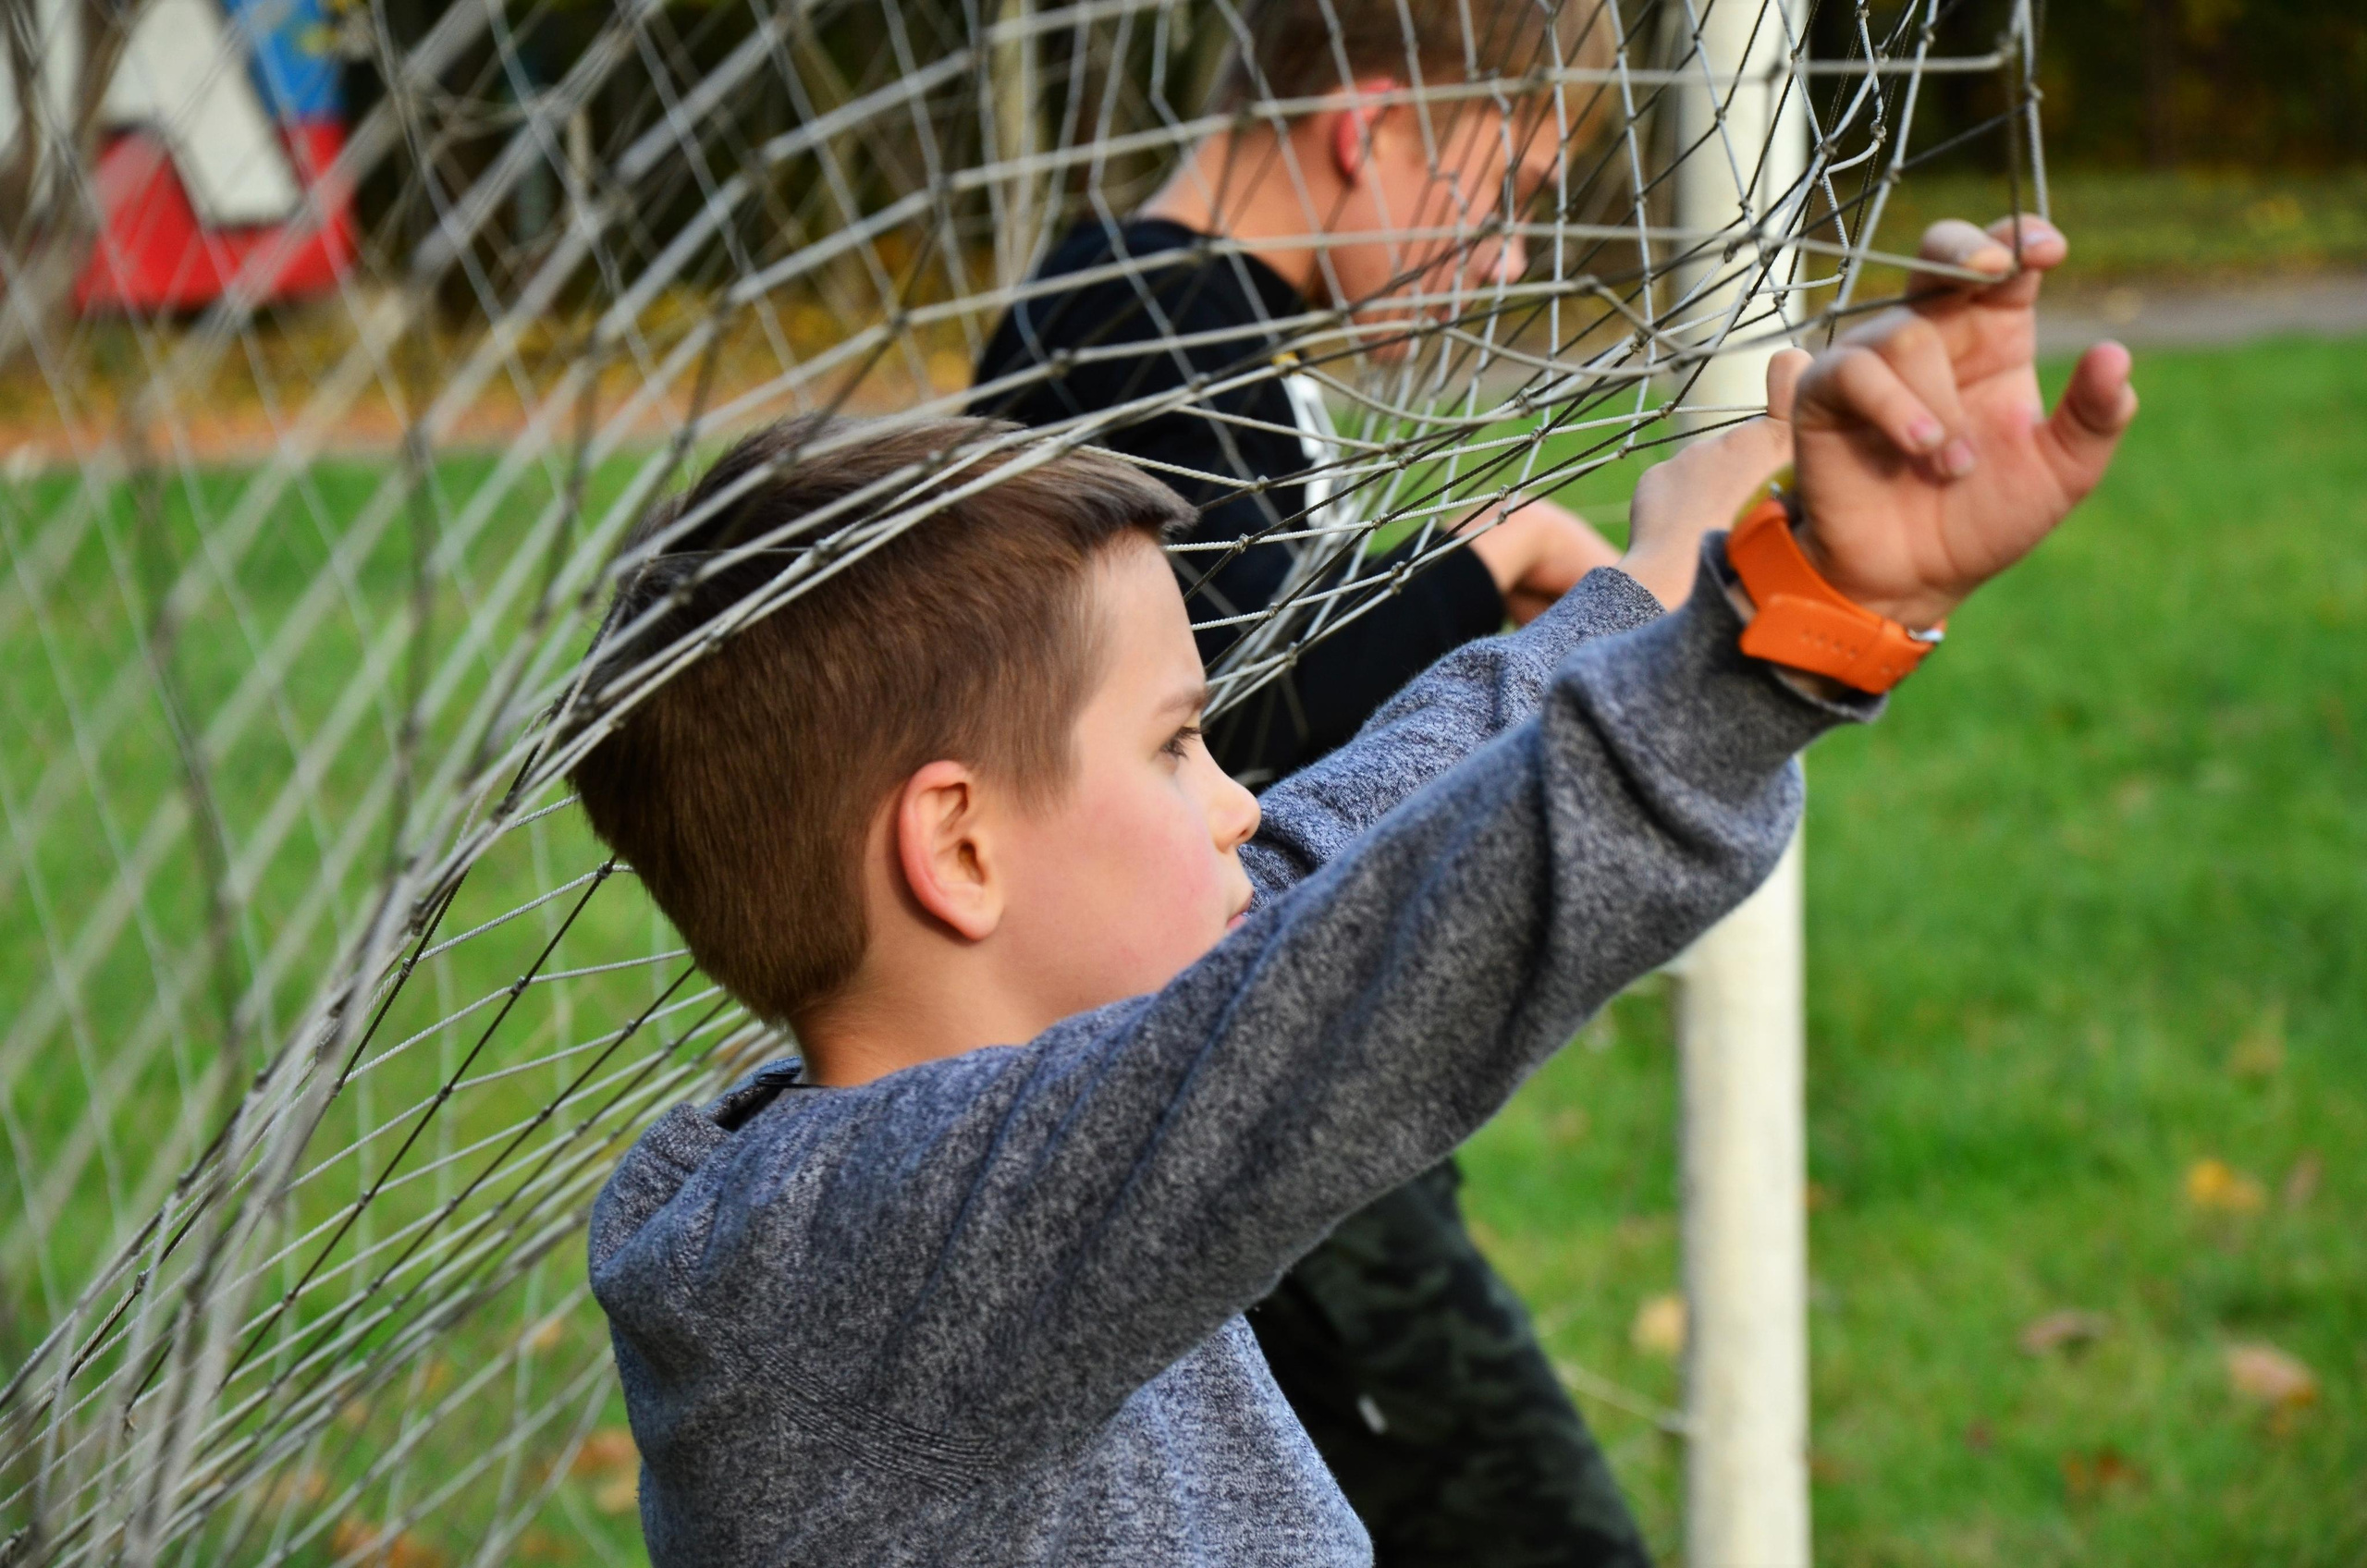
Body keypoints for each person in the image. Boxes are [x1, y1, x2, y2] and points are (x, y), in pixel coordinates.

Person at [579, 215, 2136, 1567]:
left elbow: (1332, 852)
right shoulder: (851, 1274)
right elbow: (1340, 1006)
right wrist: (1761, 658)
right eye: (1179, 747)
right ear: (962, 850)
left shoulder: (937, 1174)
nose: (1236, 796)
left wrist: (1688, 594)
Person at [967, 2, 1662, 1557]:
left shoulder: (1204, 324)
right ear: (1365, 131)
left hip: (1255, 1097)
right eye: (1507, 195)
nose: (1507, 255)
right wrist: (1501, 546)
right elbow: (1233, 709)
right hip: (1198, 1113)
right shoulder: (1130, 326)